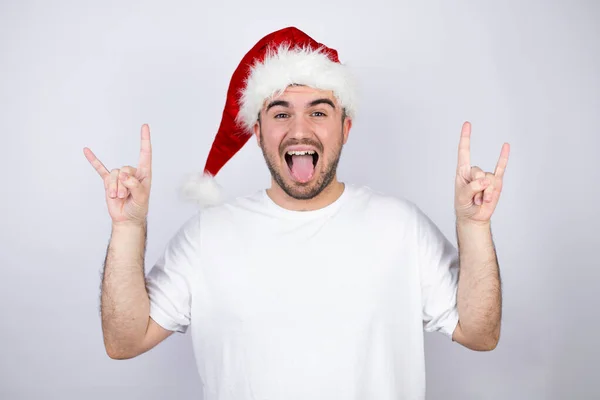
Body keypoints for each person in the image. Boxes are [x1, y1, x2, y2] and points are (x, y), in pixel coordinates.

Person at [83, 27, 510, 400]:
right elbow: (124, 341)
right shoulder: (206, 237)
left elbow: (479, 333)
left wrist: (474, 227)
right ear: (257, 132)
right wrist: (128, 226)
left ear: (345, 127)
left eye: (318, 112)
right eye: (281, 112)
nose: (300, 129)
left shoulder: (401, 227)